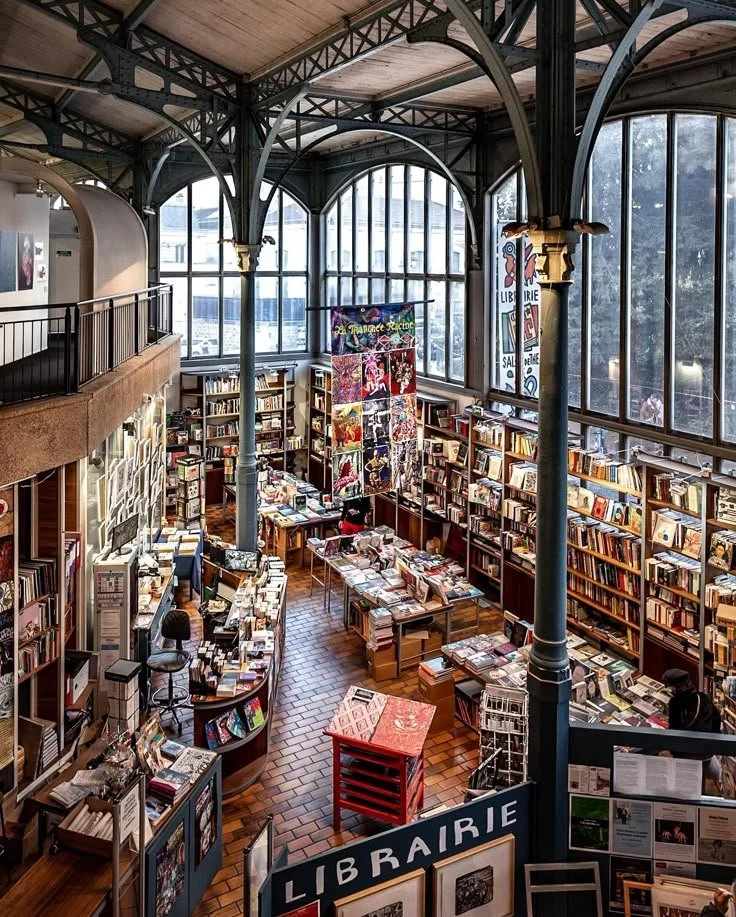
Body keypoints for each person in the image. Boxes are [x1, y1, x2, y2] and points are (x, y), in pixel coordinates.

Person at [664, 668, 721, 733]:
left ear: (674, 688)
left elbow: (673, 729)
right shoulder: (703, 698)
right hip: (709, 740)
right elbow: (716, 721)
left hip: (687, 740)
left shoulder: (674, 702)